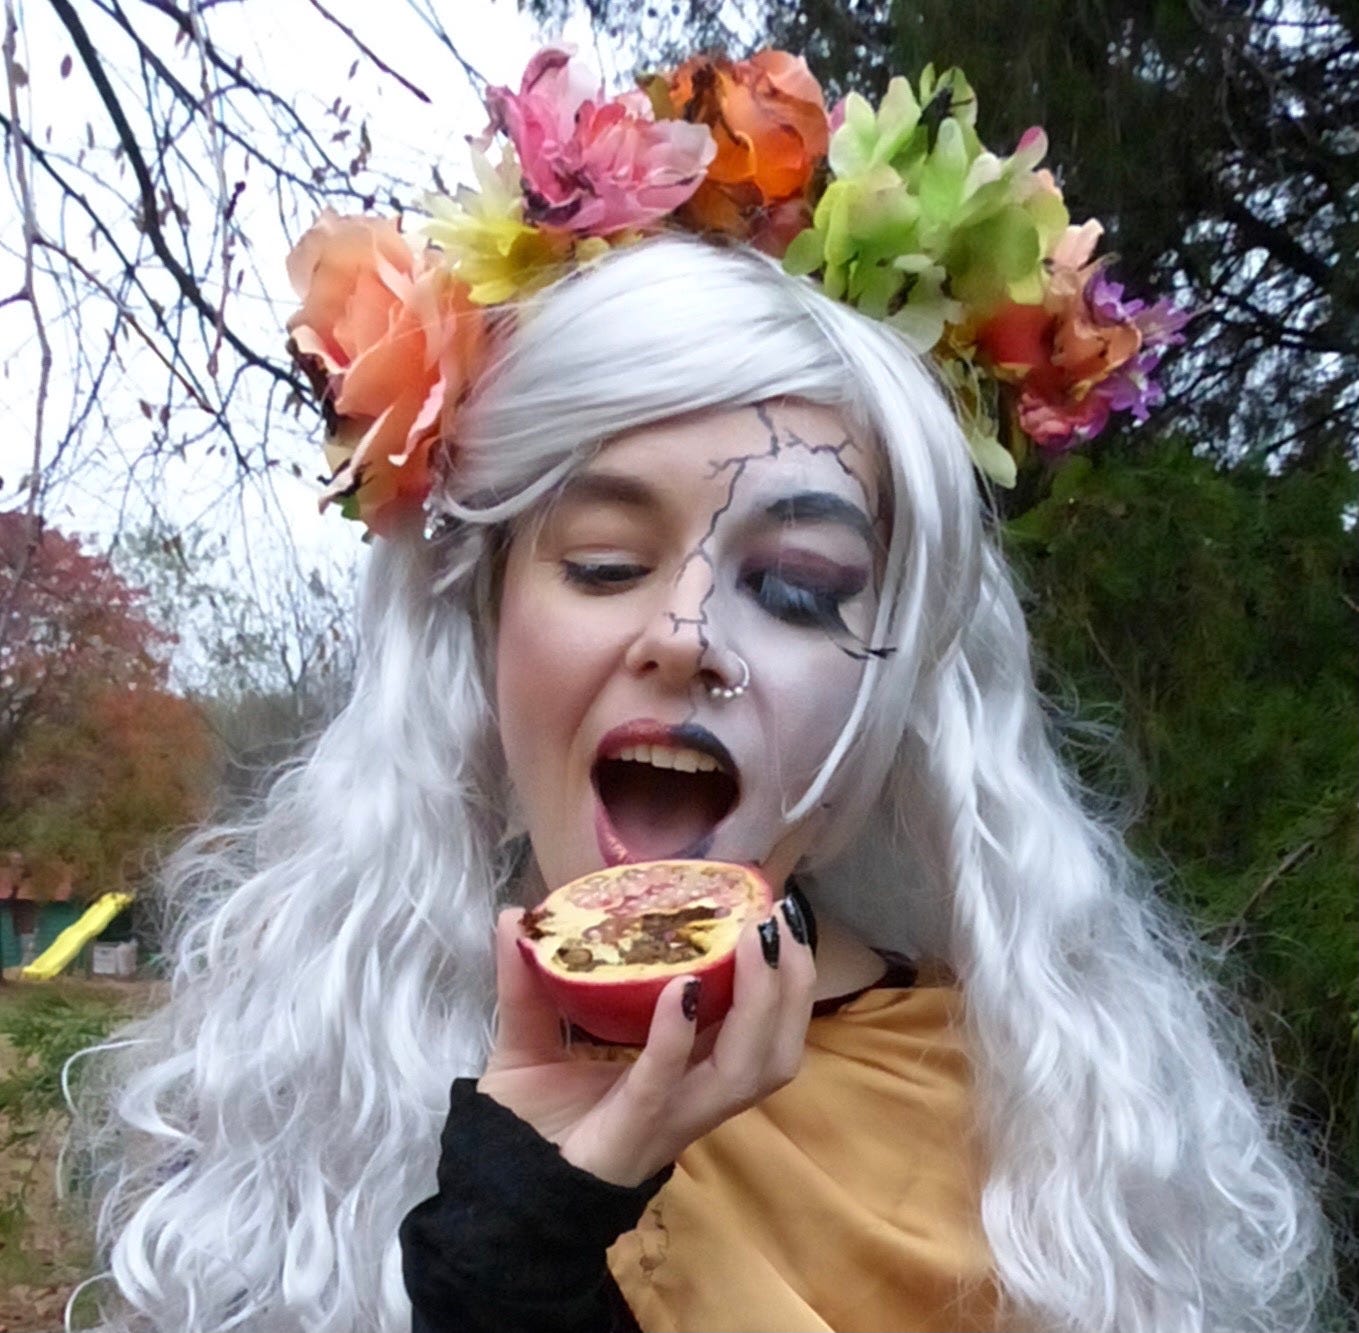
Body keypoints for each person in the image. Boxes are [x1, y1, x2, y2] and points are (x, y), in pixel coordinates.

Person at [74, 48, 1335, 1333]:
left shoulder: (1043, 1135)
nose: (687, 636)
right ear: (488, 618)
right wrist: (512, 1246)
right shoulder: (306, 1094)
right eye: (607, 562)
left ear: (888, 682)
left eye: (797, 584)